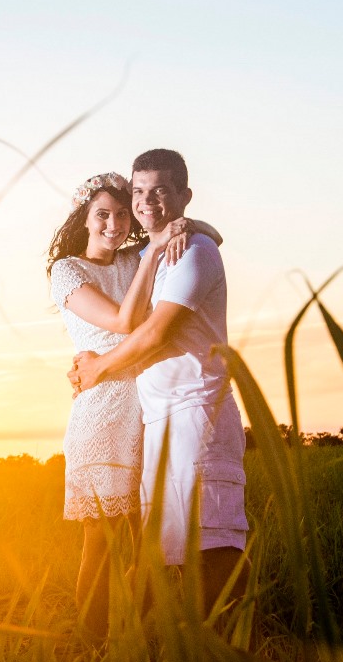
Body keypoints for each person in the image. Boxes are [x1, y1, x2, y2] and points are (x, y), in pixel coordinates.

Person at [68, 149, 249, 618]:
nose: (146, 202)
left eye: (161, 191)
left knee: (213, 540)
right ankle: (143, 649)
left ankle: (235, 652)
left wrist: (96, 368)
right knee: (167, 547)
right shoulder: (148, 252)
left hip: (198, 409)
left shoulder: (193, 250)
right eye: (140, 192)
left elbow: (155, 332)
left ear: (184, 196)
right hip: (155, 419)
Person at [47, 171, 219, 638]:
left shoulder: (135, 255)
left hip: (146, 405)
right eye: (102, 214)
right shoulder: (67, 270)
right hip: (101, 410)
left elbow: (211, 235)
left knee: (149, 539)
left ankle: (134, 639)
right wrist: (158, 247)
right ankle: (90, 642)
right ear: (83, 218)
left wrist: (187, 226)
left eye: (123, 214)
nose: (114, 223)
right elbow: (125, 322)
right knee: (100, 541)